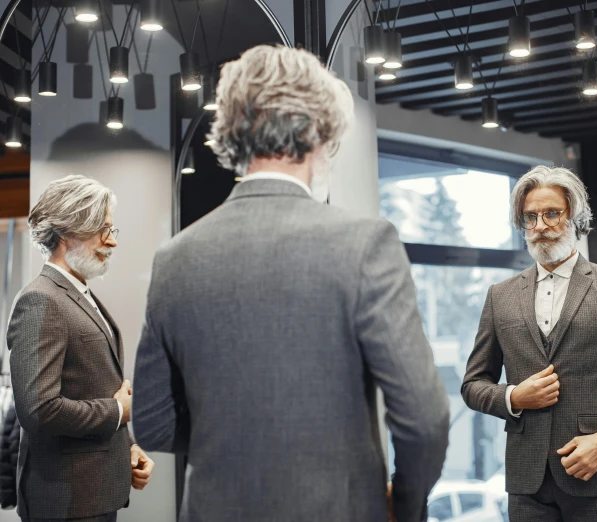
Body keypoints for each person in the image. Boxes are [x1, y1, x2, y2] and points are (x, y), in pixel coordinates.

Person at [131, 45, 450, 522]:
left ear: (233, 131)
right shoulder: (365, 244)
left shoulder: (174, 258)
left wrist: (234, 435)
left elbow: (152, 423)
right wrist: (404, 507)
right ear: (319, 131)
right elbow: (424, 420)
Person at [461, 166, 597, 522]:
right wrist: (513, 397)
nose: (540, 226)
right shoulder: (500, 296)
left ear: (575, 218)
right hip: (526, 485)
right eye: (530, 217)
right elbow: (472, 384)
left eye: (551, 214)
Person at [6, 175, 155, 522]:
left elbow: (98, 387)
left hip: (90, 495)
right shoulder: (41, 299)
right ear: (67, 232)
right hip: (65, 502)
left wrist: (127, 447)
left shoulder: (78, 294)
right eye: (102, 230)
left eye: (111, 230)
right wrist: (119, 413)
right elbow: (39, 409)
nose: (111, 242)